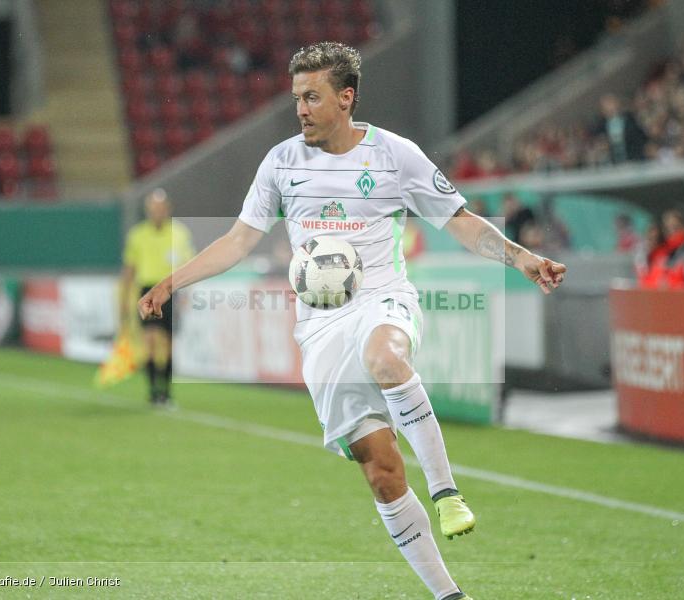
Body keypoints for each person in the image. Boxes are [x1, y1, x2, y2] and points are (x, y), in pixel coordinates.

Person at [138, 42, 566, 600]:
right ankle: (448, 594)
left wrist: (521, 257)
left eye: (312, 97)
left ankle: (446, 493)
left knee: (385, 357)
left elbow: (457, 222)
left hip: (382, 299)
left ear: (346, 98)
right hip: (319, 330)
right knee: (383, 474)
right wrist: (173, 279)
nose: (301, 109)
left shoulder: (395, 155)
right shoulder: (281, 163)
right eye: (296, 98)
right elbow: (239, 240)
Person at [122, 189, 194, 406]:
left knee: (169, 344)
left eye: (160, 208)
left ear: (167, 209)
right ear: (148, 211)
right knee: (151, 341)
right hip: (148, 289)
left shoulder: (180, 233)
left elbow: (189, 266)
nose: (157, 212)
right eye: (153, 208)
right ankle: (153, 391)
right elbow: (130, 269)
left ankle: (167, 392)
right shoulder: (137, 235)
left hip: (172, 289)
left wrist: (187, 294)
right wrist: (125, 298)